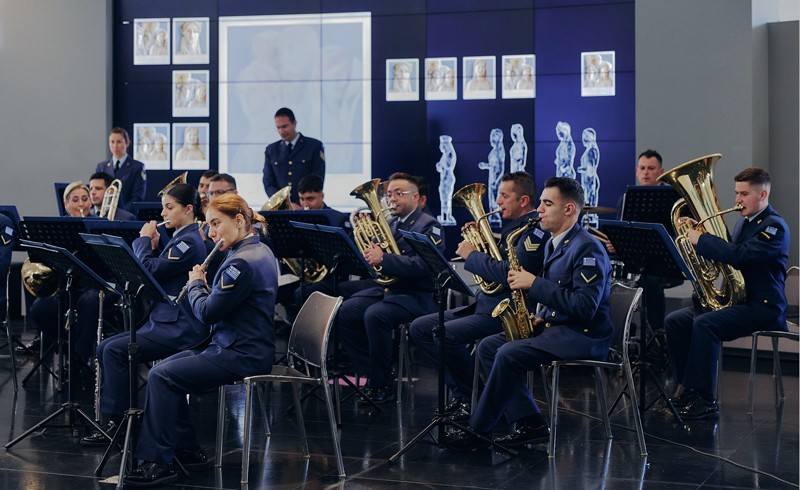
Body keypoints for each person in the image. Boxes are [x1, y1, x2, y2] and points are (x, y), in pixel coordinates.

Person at [444, 177, 612, 450]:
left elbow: (584, 307)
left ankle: (479, 430)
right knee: (488, 346)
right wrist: (543, 316)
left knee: (508, 352)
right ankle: (530, 421)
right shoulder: (556, 243)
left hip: (584, 336)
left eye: (547, 204)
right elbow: (562, 294)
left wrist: (534, 284)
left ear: (569, 209)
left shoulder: (587, 247)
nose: (539, 210)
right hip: (559, 328)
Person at [124, 194, 278, 487]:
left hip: (241, 352)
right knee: (166, 368)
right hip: (239, 345)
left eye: (216, 223)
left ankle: (158, 462)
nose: (211, 233)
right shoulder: (259, 250)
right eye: (208, 225)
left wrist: (196, 285)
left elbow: (207, 313)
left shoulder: (241, 263)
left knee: (162, 375)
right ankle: (187, 449)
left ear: (238, 220)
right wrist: (206, 288)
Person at [80, 184, 209, 449]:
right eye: (163, 207)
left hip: (180, 326)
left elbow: (147, 270)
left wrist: (143, 241)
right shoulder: (180, 238)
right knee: (106, 348)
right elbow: (161, 271)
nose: (163, 213)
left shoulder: (188, 241)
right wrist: (155, 246)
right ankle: (121, 420)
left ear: (188, 209)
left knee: (113, 350)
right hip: (165, 320)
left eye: (169, 207)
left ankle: (119, 422)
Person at [410, 172, 549, 416]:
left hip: (507, 313)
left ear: (524, 201)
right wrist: (482, 239)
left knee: (443, 333)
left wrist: (473, 254)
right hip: (486, 306)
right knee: (419, 328)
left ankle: (472, 397)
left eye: (504, 196)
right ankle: (466, 393)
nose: (498, 202)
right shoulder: (515, 229)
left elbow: (509, 273)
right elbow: (499, 259)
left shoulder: (533, 232)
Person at [663, 167, 789, 420]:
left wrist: (702, 240)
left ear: (762, 194)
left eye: (744, 194)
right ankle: (686, 388)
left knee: (705, 324)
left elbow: (741, 256)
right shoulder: (745, 223)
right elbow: (727, 252)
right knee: (675, 321)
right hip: (742, 302)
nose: (737, 200)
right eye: (736, 193)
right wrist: (699, 234)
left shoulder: (775, 227)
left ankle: (705, 399)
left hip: (764, 307)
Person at [338, 172, 445, 404]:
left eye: (399, 193)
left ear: (415, 197)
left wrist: (384, 258)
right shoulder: (392, 222)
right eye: (388, 195)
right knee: (345, 310)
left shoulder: (430, 225)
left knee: (375, 315)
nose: (392, 199)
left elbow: (424, 266)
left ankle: (381, 384)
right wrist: (370, 246)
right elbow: (378, 257)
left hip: (417, 295)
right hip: (391, 290)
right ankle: (372, 371)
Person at [262, 107, 325, 205]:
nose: (281, 131)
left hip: (305, 205)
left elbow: (317, 179)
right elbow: (268, 182)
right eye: (278, 127)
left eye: (284, 126)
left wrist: (303, 202)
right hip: (281, 207)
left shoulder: (314, 146)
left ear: (294, 123)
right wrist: (284, 203)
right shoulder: (271, 150)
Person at [95, 127, 146, 212]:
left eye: (119, 142)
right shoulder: (102, 167)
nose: (115, 146)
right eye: (112, 142)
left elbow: (138, 197)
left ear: (127, 143)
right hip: (104, 213)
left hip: (128, 214)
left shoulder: (137, 167)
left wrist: (120, 213)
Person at [478, 128, 505, 228]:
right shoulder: (494, 151)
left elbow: (501, 168)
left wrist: (498, 180)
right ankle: (493, 217)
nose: (492, 138)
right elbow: (493, 166)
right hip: (492, 177)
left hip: (497, 179)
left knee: (496, 199)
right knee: (491, 198)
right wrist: (485, 165)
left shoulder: (500, 151)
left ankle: (496, 217)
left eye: (494, 136)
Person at [435, 136, 457, 225]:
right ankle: (444, 216)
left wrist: (440, 166)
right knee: (443, 198)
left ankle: (447, 217)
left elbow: (447, 167)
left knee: (446, 198)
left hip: (447, 178)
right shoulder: (444, 155)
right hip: (444, 178)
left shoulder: (449, 154)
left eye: (443, 144)